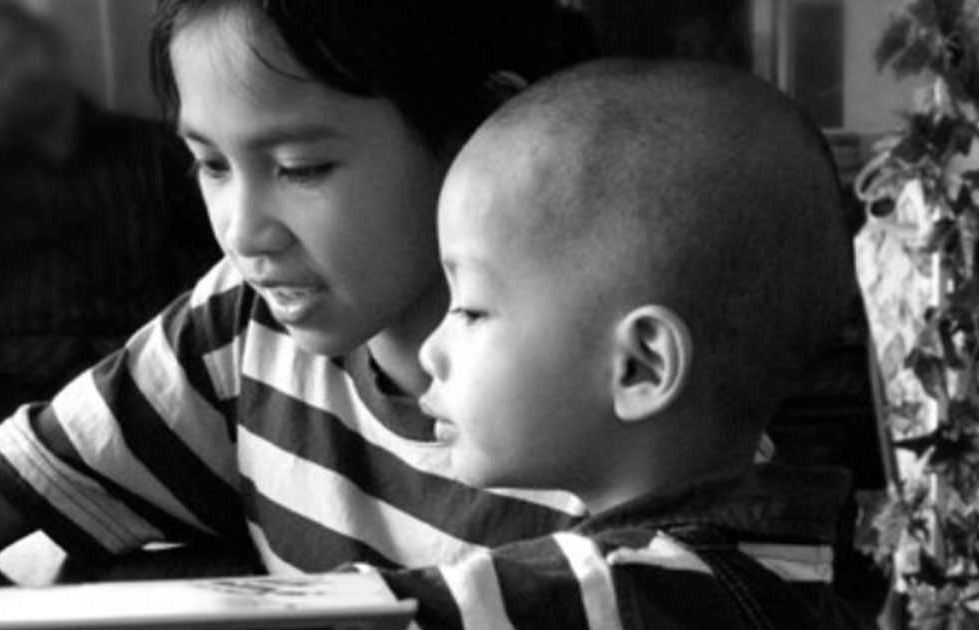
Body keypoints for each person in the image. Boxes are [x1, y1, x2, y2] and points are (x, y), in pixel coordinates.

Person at [0, 0, 598, 600]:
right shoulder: (242, 323)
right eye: (211, 165)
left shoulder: (611, 388)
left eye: (301, 169)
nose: (242, 230)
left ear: (485, 134)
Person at [363, 59, 871, 628]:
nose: (432, 350)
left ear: (640, 365)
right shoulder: (790, 569)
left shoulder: (614, 591)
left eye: (471, 311)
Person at [0, 0, 218, 464]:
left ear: (50, 49)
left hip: (134, 372)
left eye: (18, 51)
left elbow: (212, 267)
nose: (15, 73)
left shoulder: (156, 153)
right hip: (9, 377)